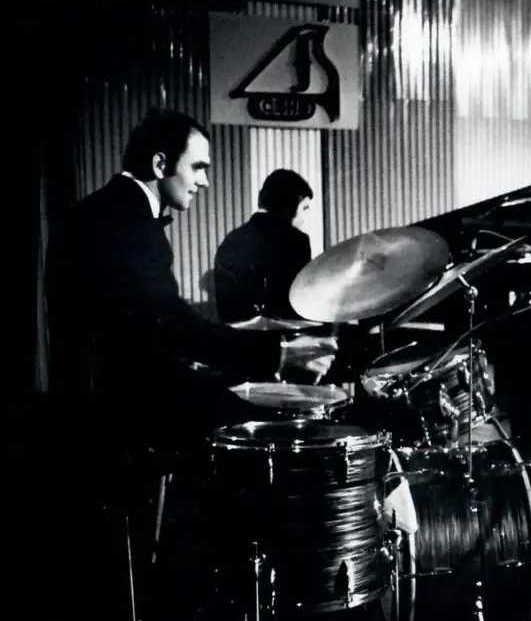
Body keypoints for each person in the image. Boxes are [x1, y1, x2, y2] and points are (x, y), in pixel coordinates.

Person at [45, 109, 332, 453]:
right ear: (160, 165)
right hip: (115, 412)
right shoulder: (129, 225)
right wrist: (281, 353)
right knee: (263, 433)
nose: (205, 181)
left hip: (92, 395)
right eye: (197, 167)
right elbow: (173, 327)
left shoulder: (102, 210)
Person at [212, 168, 314, 323]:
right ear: (289, 206)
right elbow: (298, 304)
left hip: (235, 333)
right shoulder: (296, 240)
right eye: (304, 208)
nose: (305, 218)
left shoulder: (231, 239)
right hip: (281, 333)